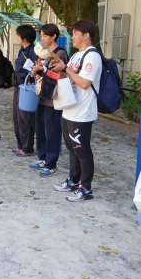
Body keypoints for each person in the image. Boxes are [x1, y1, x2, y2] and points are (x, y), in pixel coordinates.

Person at [52, 20, 102, 202]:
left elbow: (84, 83)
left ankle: (86, 188)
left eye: (75, 33)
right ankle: (73, 180)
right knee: (72, 148)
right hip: (69, 108)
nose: (72, 37)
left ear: (86, 35)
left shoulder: (92, 56)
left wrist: (66, 69)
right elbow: (69, 77)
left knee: (82, 150)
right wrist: (59, 69)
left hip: (82, 112)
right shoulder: (75, 56)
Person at [29, 24, 68, 177]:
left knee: (52, 131)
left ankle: (51, 162)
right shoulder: (43, 54)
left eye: (45, 35)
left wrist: (42, 70)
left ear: (54, 36)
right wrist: (36, 72)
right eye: (41, 36)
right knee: (40, 130)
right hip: (42, 96)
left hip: (53, 99)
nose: (42, 38)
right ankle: (43, 157)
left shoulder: (60, 53)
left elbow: (58, 75)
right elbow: (42, 75)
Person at [12, 25, 38, 157]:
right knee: (16, 117)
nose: (17, 37)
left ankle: (27, 147)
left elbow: (34, 70)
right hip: (18, 86)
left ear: (24, 37)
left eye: (18, 35)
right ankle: (20, 145)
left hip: (27, 88)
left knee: (25, 117)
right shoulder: (22, 50)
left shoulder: (33, 51)